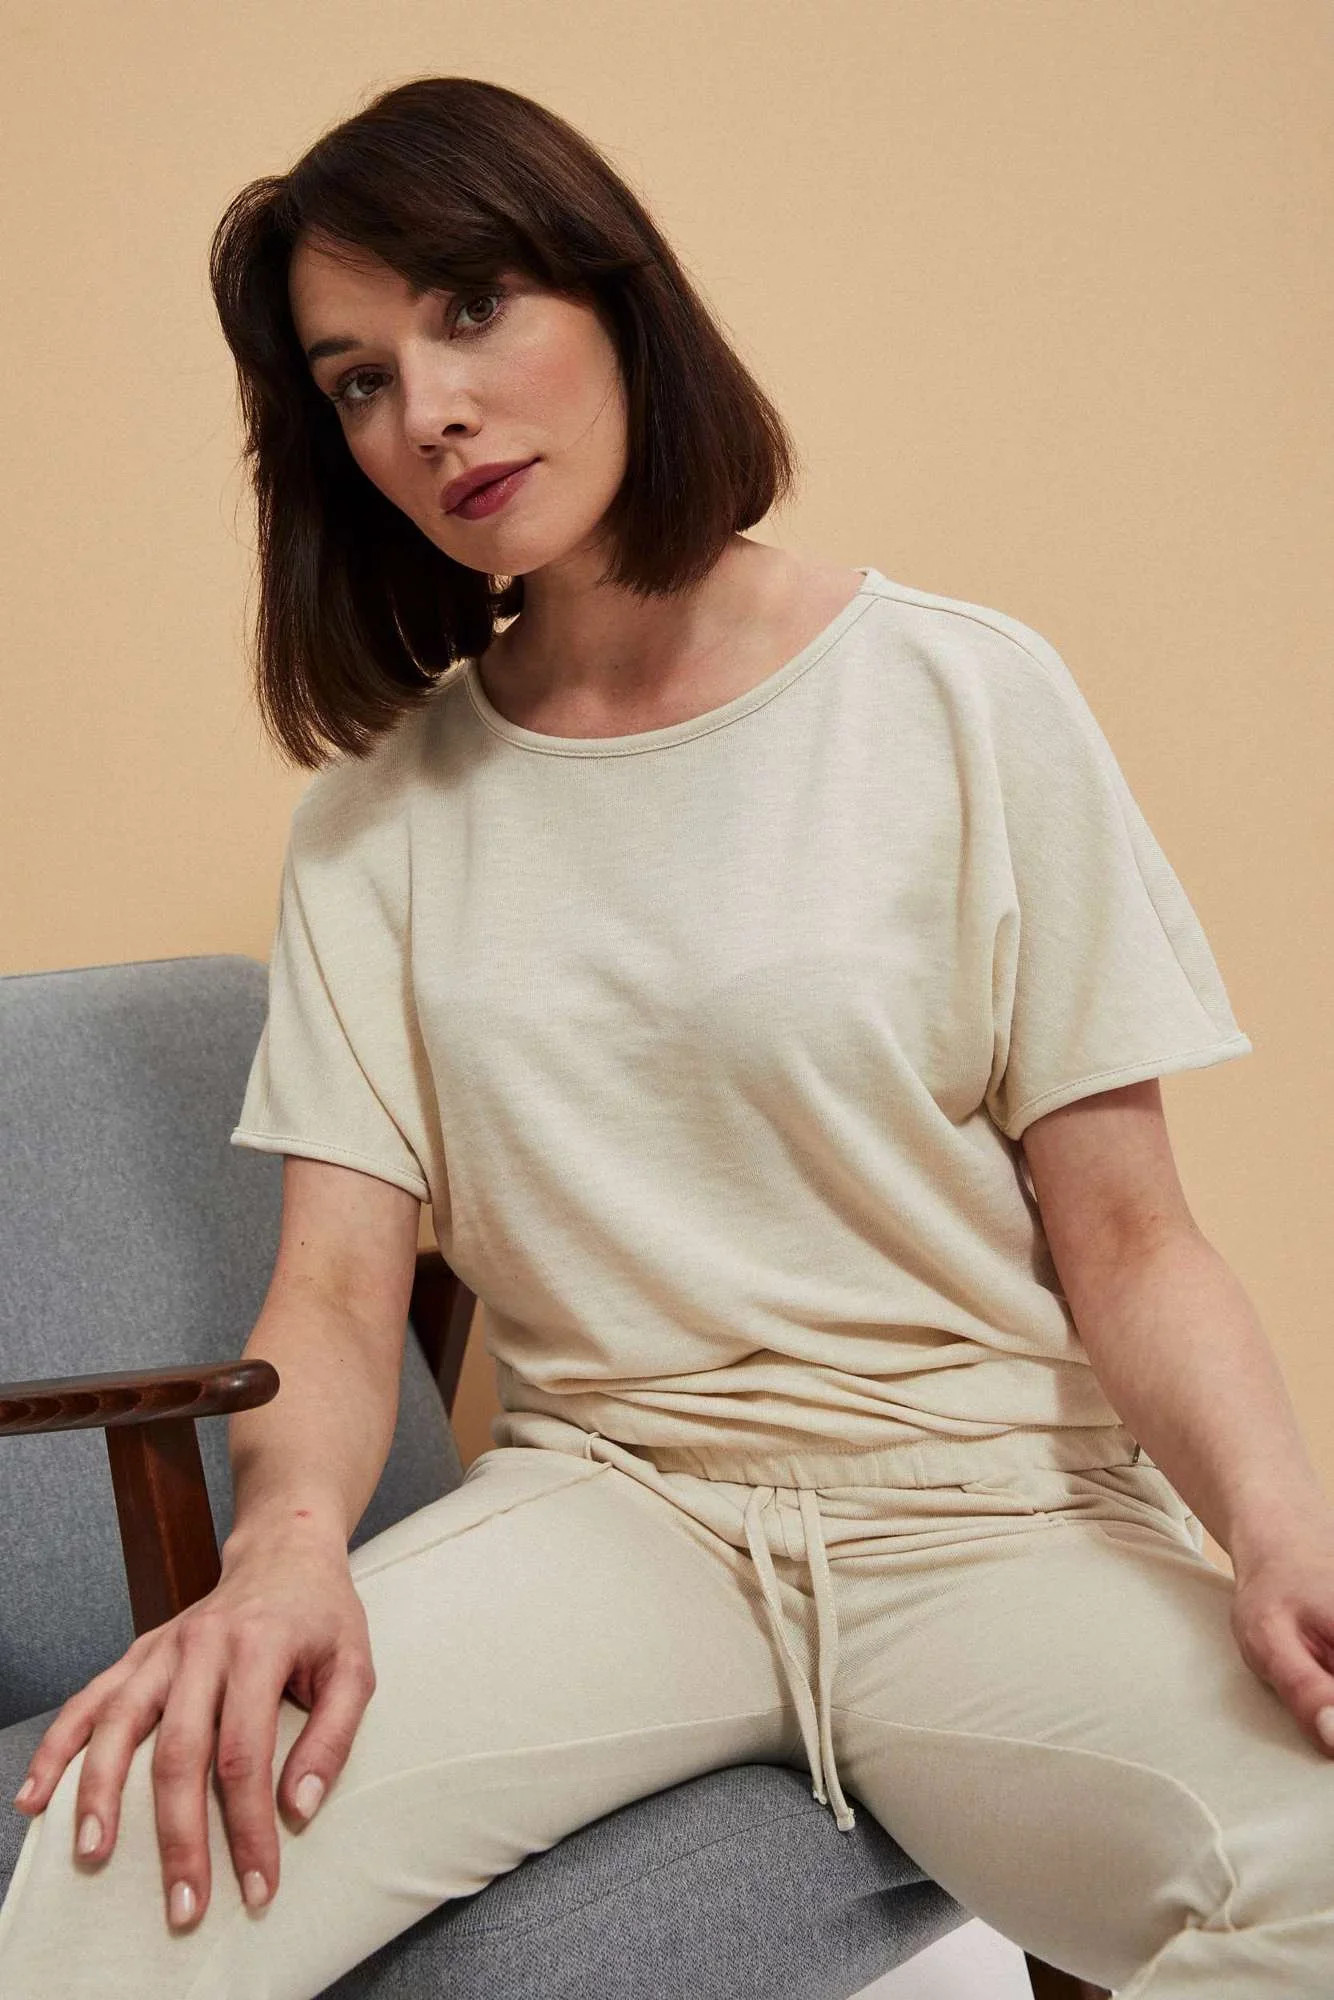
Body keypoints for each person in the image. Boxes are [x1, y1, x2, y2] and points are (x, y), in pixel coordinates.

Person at [2, 72, 1332, 2000]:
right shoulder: (378, 823)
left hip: (988, 1517)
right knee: (118, 1866)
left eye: (470, 309)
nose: (427, 409)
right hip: (616, 1512)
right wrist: (282, 1546)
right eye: (356, 379)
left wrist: (1279, 1526)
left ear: (617, 298)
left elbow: (1129, 1236)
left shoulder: (961, 698)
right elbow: (339, 1292)